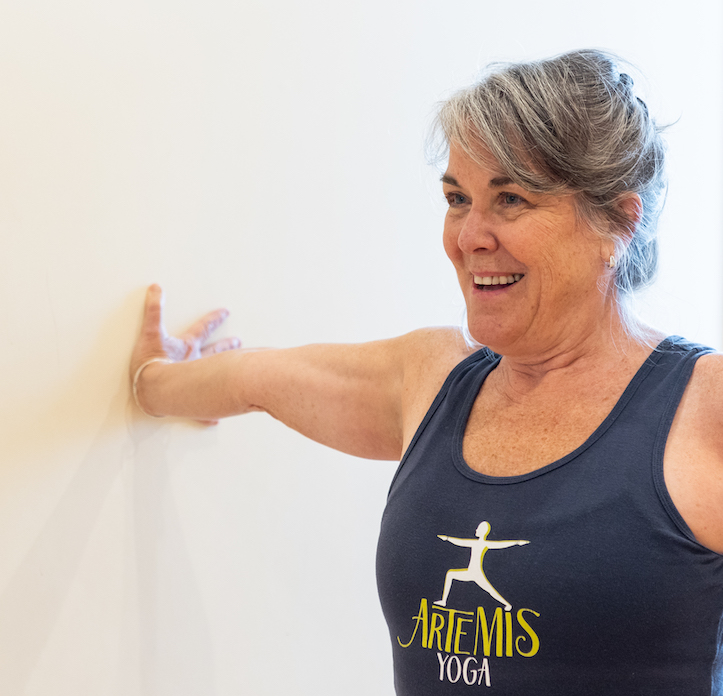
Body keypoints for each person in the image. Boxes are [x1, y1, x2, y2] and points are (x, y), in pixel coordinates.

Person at [130, 49, 723, 695]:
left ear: (616, 224)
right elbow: (247, 378)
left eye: (512, 199)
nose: (469, 235)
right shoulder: (430, 381)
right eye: (456, 198)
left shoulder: (703, 408)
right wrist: (155, 379)